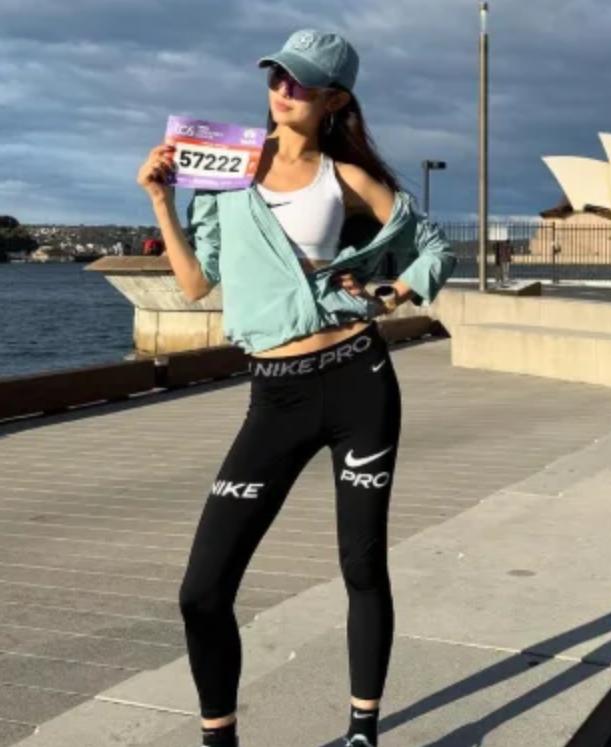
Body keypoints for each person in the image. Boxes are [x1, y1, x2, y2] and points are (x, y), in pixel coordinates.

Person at [136, 29, 457, 747]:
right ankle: (219, 738)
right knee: (202, 591)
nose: (283, 90)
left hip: (357, 381)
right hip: (275, 395)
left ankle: (362, 732)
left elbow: (433, 245)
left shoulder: (347, 177)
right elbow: (196, 285)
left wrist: (393, 291)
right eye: (277, 76)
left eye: (302, 83)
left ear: (334, 100)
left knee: (361, 564)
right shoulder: (225, 169)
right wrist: (160, 201)